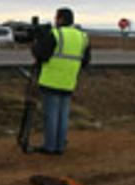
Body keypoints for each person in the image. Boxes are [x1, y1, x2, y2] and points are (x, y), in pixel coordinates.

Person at [31, 8, 92, 156]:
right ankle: (59, 146)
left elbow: (41, 54)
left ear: (60, 19)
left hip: (51, 80)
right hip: (69, 82)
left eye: (56, 18)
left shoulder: (56, 34)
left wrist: (37, 42)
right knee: (63, 116)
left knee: (51, 115)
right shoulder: (83, 37)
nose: (54, 20)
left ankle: (50, 147)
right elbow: (85, 61)